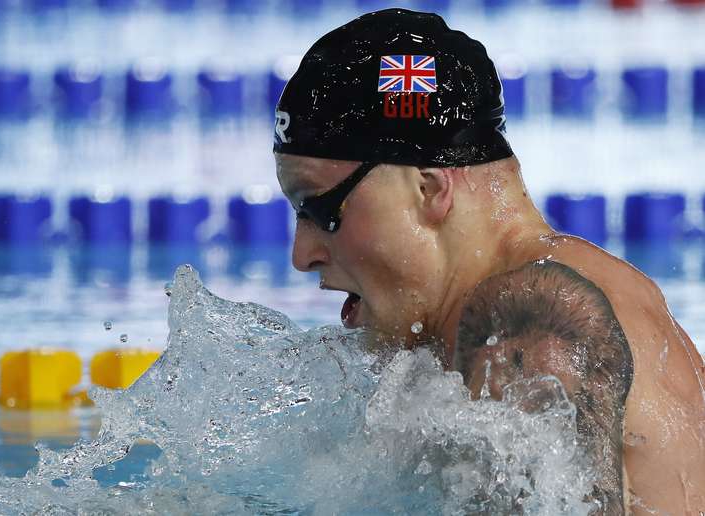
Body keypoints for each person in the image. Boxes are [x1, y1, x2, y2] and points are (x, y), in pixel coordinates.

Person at [272, 8, 705, 516]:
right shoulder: (544, 291)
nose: (303, 255)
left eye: (320, 209)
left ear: (428, 188)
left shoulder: (532, 322)